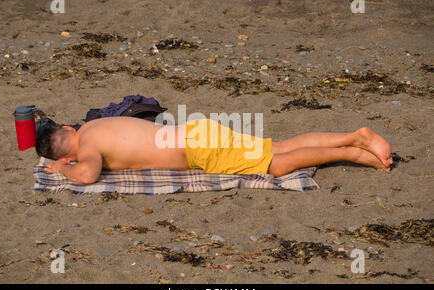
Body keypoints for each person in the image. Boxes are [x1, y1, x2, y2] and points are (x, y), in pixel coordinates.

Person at [36, 116, 392, 184]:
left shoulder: (88, 150)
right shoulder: (93, 126)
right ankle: (353, 136)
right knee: (277, 147)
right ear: (69, 129)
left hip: (198, 149)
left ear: (66, 153)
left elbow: (86, 175)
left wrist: (62, 170)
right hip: (197, 130)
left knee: (277, 166)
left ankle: (353, 148)